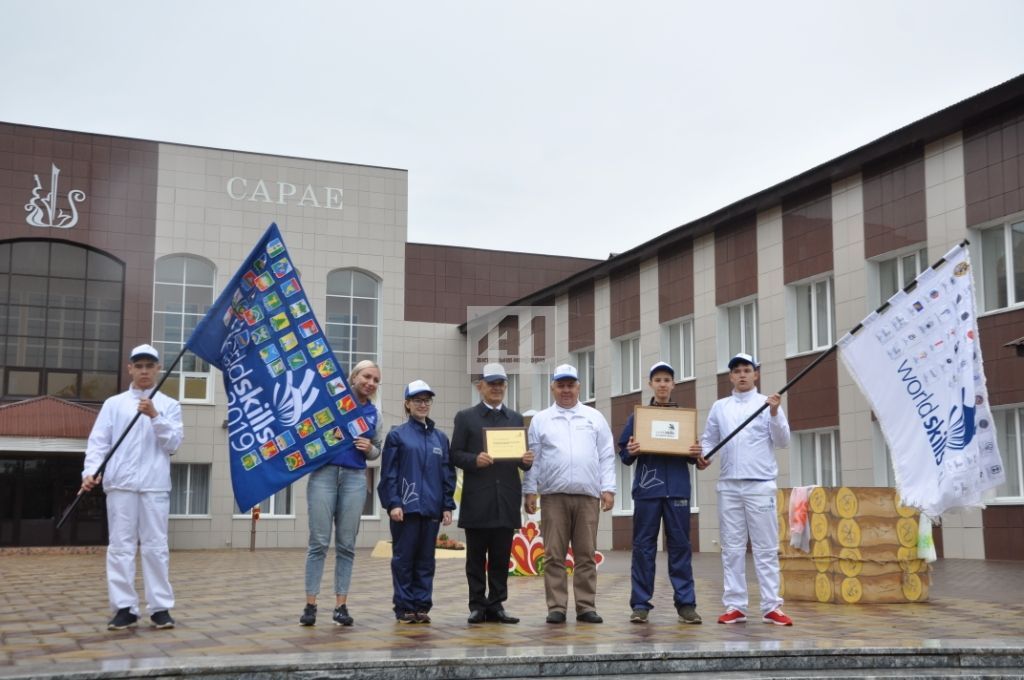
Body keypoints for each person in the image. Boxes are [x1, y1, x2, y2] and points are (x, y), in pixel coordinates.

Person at [81, 344, 184, 631]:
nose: (144, 371)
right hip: (121, 485)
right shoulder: (114, 404)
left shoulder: (170, 405)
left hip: (154, 486)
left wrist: (155, 416)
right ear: (130, 369)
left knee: (156, 547)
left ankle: (160, 608)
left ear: (158, 369)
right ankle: (124, 607)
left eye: (149, 366)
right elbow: (99, 442)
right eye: (138, 365)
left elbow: (173, 444)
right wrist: (90, 471)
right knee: (120, 547)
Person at [693, 352, 793, 626]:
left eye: (746, 370)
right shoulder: (720, 407)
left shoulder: (768, 403)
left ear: (756, 374)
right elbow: (709, 440)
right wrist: (703, 457)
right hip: (729, 487)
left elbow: (783, 440)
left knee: (765, 548)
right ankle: (735, 605)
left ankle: (772, 605)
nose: (742, 375)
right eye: (736, 371)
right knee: (733, 548)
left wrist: (773, 412)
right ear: (730, 376)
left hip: (760, 485)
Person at [523, 364, 616, 624]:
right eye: (561, 385)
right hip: (553, 497)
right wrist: (530, 490)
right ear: (552, 387)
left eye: (570, 385)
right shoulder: (541, 420)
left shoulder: (594, 417)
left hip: (588, 496)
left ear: (578, 387)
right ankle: (557, 607)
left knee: (586, 553)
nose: (566, 390)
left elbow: (607, 455)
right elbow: (534, 459)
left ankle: (586, 606)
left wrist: (608, 488)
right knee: (554, 554)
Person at [619, 361, 709, 625]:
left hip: (678, 491)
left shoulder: (684, 418)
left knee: (681, 548)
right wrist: (631, 450)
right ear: (650, 384)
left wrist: (696, 453)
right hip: (648, 492)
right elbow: (624, 453)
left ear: (673, 384)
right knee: (643, 548)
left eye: (666, 380)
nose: (662, 384)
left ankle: (686, 605)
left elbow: (694, 456)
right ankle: (640, 605)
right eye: (657, 380)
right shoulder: (638, 417)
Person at [299, 359, 382, 627]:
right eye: (366, 377)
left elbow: (378, 450)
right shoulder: (331, 403)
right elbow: (307, 430)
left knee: (346, 545)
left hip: (355, 478)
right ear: (354, 377)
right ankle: (310, 605)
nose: (370, 383)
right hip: (323, 474)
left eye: (375, 380)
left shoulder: (374, 414)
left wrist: (369, 448)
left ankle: (341, 606)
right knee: (319, 542)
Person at [450, 363, 534, 624]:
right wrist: (475, 459)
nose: (497, 388)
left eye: (501, 384)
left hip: (506, 498)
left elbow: (521, 461)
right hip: (478, 499)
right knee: (475, 557)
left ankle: (496, 605)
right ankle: (477, 605)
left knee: (500, 557)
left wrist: (527, 460)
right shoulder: (465, 417)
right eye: (492, 383)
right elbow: (454, 454)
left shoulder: (515, 418)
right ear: (480, 387)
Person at [377, 380, 456, 624]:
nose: (423, 405)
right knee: (404, 560)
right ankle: (404, 607)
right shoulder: (397, 436)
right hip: (406, 509)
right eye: (417, 400)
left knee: (425, 561)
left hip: (431, 509)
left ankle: (421, 606)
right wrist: (394, 503)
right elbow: (389, 473)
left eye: (427, 400)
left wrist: (446, 505)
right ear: (407, 404)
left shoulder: (440, 439)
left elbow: (447, 474)